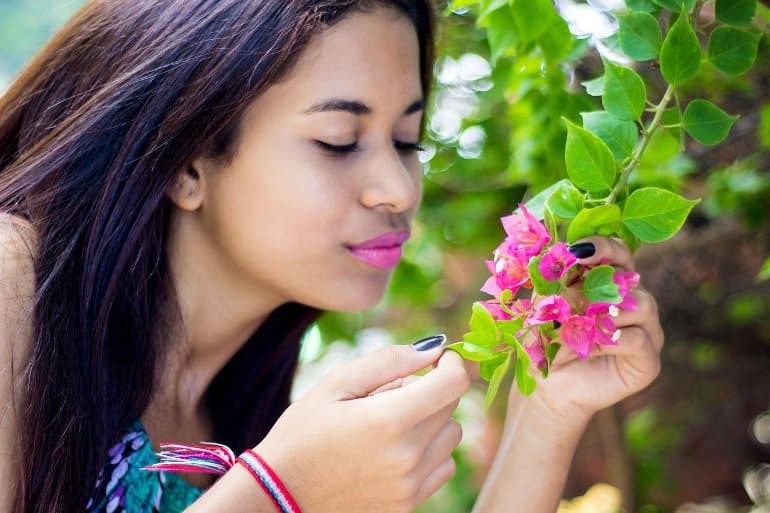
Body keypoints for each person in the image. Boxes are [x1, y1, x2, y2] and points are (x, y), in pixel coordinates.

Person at [0, 1, 664, 512]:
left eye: (408, 140)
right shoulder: (13, 283)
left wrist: (545, 416)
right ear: (186, 161)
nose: (400, 189)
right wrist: (275, 489)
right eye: (339, 141)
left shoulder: (238, 416)